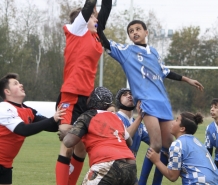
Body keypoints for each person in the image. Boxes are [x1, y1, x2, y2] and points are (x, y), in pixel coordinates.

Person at [99, 15, 204, 184]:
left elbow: (166, 71)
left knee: (168, 146)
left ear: (146, 32)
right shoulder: (126, 52)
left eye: (138, 29)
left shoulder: (154, 52)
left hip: (163, 103)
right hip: (147, 102)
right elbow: (106, 43)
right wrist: (98, 27)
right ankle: (141, 182)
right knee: (155, 145)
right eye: (131, 31)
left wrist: (187, 79)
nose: (134, 33)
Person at [55, 0, 113, 184]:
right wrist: (91, 8)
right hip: (71, 95)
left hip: (87, 99)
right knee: (67, 141)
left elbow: (106, 8)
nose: (97, 20)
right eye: (93, 18)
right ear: (83, 20)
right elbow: (89, 5)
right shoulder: (76, 30)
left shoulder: (95, 36)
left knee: (81, 148)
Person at [61, 87, 137, 185]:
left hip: (107, 164)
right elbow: (129, 142)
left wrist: (66, 133)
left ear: (94, 100)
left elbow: (69, 142)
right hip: (130, 167)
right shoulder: (116, 117)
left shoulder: (88, 116)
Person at [0, 73, 65, 185]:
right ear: (7, 92)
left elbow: (52, 126)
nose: (21, 85)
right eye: (16, 83)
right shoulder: (4, 108)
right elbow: (23, 129)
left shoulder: (27, 110)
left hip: (5, 164)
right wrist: (53, 119)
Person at [147, 112, 218, 185]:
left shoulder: (177, 144)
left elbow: (172, 176)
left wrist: (156, 161)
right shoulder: (197, 142)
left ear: (182, 129)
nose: (172, 122)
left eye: (176, 120)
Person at [115, 88, 168, 185]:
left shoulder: (140, 125)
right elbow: (125, 136)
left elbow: (157, 142)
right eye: (124, 94)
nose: (129, 96)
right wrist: (140, 116)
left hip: (131, 170)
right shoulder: (115, 117)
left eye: (131, 94)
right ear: (118, 100)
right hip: (115, 169)